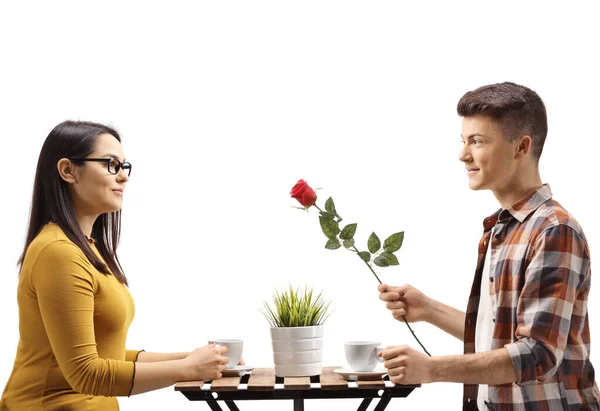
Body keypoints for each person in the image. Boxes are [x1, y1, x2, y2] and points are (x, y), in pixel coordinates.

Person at [378, 82, 600, 410]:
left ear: (521, 147)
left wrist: (430, 368)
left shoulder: (555, 231)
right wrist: (429, 309)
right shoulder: (502, 227)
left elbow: (537, 355)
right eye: (463, 141)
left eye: (477, 141)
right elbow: (499, 334)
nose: (463, 154)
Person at [0, 121, 229, 410]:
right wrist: (187, 369)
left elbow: (108, 355)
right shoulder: (58, 253)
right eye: (110, 164)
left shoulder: (85, 249)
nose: (123, 177)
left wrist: (201, 359)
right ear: (68, 171)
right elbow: (86, 373)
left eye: (124, 166)